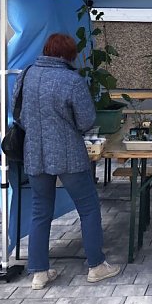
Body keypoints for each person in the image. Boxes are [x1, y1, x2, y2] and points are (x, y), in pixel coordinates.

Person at [14, 33, 120, 290]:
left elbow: (18, 115)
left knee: (40, 210)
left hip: (35, 153)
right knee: (88, 207)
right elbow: (86, 121)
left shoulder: (25, 75)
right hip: (68, 155)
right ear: (69, 55)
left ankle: (39, 272)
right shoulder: (71, 80)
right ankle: (96, 266)